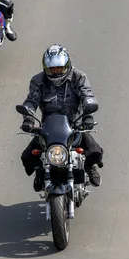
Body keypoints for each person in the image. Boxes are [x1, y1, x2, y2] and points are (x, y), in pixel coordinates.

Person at [19, 44, 104, 191]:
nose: (56, 72)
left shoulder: (79, 77)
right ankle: (40, 172)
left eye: (59, 68)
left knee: (94, 150)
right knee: (27, 156)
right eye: (52, 69)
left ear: (67, 65)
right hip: (48, 128)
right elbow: (31, 101)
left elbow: (87, 97)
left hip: (73, 126)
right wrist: (28, 118)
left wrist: (88, 116)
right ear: (46, 69)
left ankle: (89, 167)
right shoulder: (38, 81)